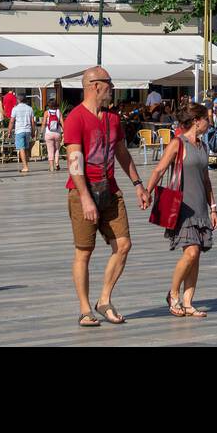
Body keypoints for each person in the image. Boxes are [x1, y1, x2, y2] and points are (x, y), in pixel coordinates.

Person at [64, 66, 147, 328]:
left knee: (123, 245)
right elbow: (74, 161)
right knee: (84, 252)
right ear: (95, 85)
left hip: (110, 190)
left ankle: (104, 300)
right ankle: (85, 309)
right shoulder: (75, 118)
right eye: (109, 84)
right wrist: (86, 198)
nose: (112, 88)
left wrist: (138, 184)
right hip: (82, 193)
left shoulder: (112, 119)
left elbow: (122, 153)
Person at [146, 101, 217, 318]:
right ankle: (174, 293)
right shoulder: (178, 143)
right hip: (182, 208)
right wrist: (146, 191)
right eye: (206, 118)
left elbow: (206, 180)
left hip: (200, 208)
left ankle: (188, 302)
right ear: (197, 121)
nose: (209, 122)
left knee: (196, 256)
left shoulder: (203, 146)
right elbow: (159, 170)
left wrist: (213, 208)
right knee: (191, 252)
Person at [9, 93, 35, 175]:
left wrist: (9, 131)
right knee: (26, 148)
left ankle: (25, 167)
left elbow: (12, 121)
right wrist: (33, 132)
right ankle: (26, 165)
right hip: (28, 130)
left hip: (19, 130)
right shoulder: (30, 108)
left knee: (21, 148)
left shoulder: (15, 109)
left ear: (18, 100)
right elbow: (32, 122)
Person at [44, 104, 64, 171]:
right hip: (57, 133)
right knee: (57, 149)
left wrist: (41, 131)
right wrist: (64, 131)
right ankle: (57, 163)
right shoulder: (59, 112)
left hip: (48, 133)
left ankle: (51, 167)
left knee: (50, 150)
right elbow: (62, 122)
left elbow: (44, 123)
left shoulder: (47, 112)